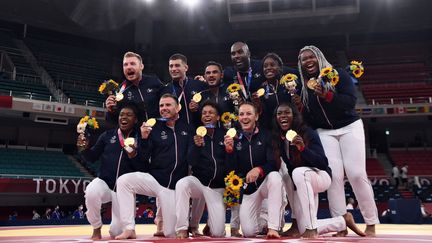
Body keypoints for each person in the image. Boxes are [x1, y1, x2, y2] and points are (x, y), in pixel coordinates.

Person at [297, 45, 379, 236]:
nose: (308, 61)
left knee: (357, 174)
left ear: (319, 57)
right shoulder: (303, 87)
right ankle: (341, 224)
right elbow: (310, 118)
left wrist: (327, 95)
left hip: (350, 126)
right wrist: (301, 109)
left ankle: (371, 221)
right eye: (304, 59)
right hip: (325, 132)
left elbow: (350, 101)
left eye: (311, 57)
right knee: (333, 178)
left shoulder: (338, 74)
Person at [272, 102, 365, 238]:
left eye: (287, 112)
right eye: (279, 113)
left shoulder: (308, 132)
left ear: (295, 116)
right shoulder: (280, 139)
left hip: (320, 176)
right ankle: (341, 221)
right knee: (287, 176)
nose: (282, 116)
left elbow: (322, 162)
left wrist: (303, 149)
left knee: (298, 173)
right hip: (301, 181)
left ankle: (311, 229)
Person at [115, 93, 192, 239]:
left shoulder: (187, 128)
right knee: (124, 181)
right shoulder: (153, 127)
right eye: (161, 105)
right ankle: (129, 228)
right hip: (155, 180)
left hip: (175, 187)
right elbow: (144, 158)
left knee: (170, 233)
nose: (164, 108)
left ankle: (162, 219)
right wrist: (144, 139)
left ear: (178, 107)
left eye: (168, 105)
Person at [78, 102, 146, 240]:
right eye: (121, 115)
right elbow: (92, 157)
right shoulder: (107, 136)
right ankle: (96, 228)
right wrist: (83, 149)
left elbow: (143, 167)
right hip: (105, 183)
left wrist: (134, 156)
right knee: (91, 191)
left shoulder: (141, 138)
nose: (124, 117)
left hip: (125, 190)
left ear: (136, 120)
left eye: (129, 115)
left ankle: (118, 227)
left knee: (116, 232)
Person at [223, 102, 283, 238]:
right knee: (249, 232)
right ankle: (263, 222)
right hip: (249, 190)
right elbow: (231, 171)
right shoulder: (234, 139)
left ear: (256, 117)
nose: (244, 117)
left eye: (249, 113)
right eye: (241, 114)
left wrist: (259, 170)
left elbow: (274, 164)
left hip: (265, 185)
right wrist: (230, 152)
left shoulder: (267, 135)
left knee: (275, 176)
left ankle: (273, 227)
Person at [175, 100, 228, 238]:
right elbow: (191, 161)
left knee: (218, 233)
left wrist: (230, 149)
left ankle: (210, 226)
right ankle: (182, 227)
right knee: (182, 183)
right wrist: (197, 147)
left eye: (211, 113)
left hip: (218, 188)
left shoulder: (225, 135)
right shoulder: (195, 135)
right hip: (199, 183)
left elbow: (231, 162)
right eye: (204, 113)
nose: (207, 115)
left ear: (218, 117)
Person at [105, 51, 166, 125]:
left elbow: (167, 102)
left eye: (132, 64)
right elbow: (114, 122)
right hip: (136, 134)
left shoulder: (154, 81)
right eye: (125, 65)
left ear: (141, 66)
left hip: (158, 131)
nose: (129, 67)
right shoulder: (120, 91)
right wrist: (110, 111)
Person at [163, 53, 208, 126]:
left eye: (177, 65)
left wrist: (199, 107)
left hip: (199, 131)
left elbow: (209, 107)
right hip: (178, 133)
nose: (173, 69)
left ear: (186, 68)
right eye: (171, 66)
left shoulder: (199, 85)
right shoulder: (165, 90)